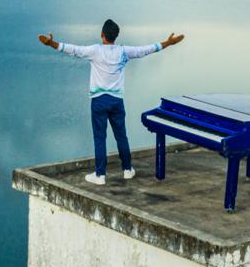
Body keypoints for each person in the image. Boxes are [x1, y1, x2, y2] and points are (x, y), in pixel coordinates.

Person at [38, 19, 184, 185]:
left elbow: (73, 50)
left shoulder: (95, 51)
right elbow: (146, 50)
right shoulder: (124, 51)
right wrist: (168, 43)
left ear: (102, 35)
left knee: (100, 137)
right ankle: (127, 169)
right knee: (121, 136)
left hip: (99, 101)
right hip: (116, 101)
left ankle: (100, 175)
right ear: (116, 36)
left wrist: (52, 43)